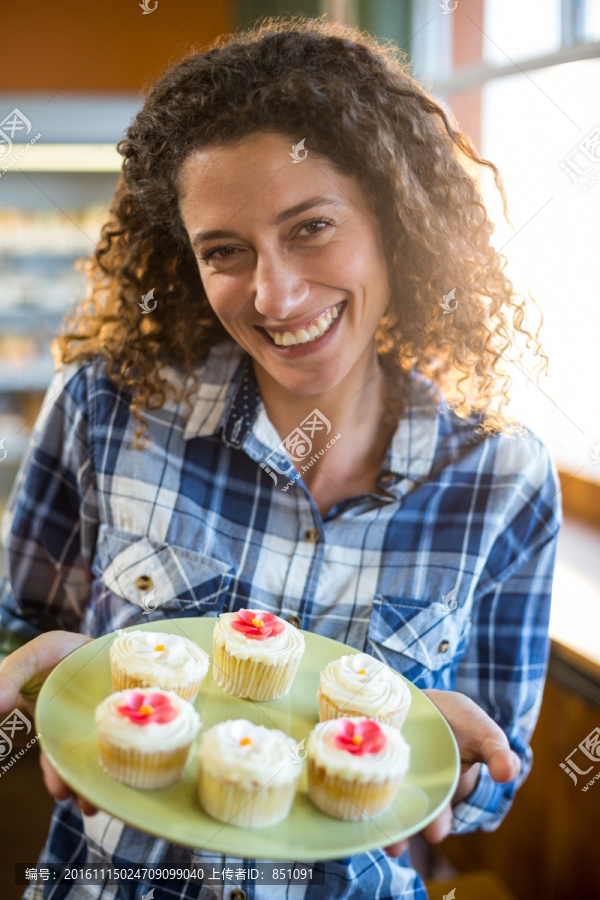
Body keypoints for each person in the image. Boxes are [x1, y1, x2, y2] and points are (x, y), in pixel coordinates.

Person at [0, 16, 561, 900]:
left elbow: (497, 773)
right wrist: (42, 677)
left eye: (310, 227)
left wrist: (455, 763)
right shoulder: (107, 410)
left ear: (394, 218)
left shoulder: (502, 479)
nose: (275, 294)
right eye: (225, 251)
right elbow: (22, 627)